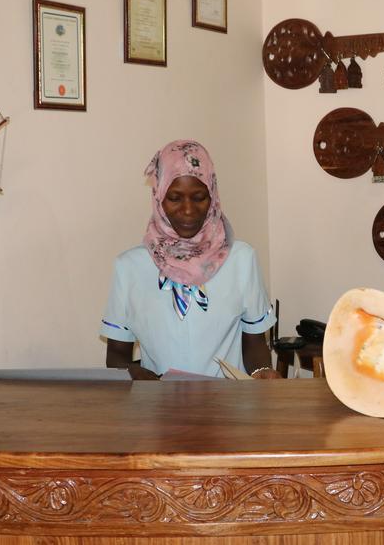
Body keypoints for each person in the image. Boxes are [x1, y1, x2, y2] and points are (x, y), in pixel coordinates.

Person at [100, 140, 279, 379]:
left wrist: (262, 370)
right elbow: (116, 355)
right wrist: (138, 375)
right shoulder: (129, 268)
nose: (187, 210)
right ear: (159, 197)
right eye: (175, 198)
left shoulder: (241, 260)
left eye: (199, 197)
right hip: (158, 409)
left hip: (229, 408)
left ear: (213, 196)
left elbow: (255, 343)